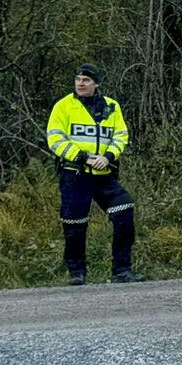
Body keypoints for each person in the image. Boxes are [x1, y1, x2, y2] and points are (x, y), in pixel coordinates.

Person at [46, 63, 145, 285]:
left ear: (96, 83)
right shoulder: (63, 106)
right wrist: (82, 156)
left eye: (86, 80)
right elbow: (55, 138)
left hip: (104, 174)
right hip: (75, 173)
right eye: (78, 79)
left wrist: (109, 156)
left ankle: (121, 269)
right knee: (74, 223)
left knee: (124, 209)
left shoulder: (111, 106)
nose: (80, 83)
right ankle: (77, 271)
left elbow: (121, 136)